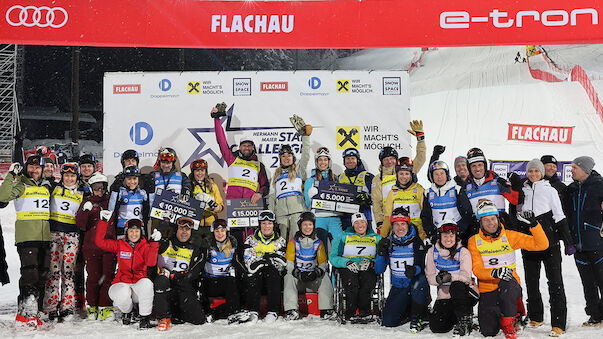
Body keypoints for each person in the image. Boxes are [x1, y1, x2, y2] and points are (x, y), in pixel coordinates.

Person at [468, 199, 549, 338]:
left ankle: (511, 319)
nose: (490, 223)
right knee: (489, 331)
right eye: (486, 220)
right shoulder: (474, 240)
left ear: (498, 219)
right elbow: (477, 270)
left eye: (493, 219)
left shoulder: (510, 236)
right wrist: (494, 272)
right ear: (480, 222)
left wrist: (534, 225)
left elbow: (541, 245)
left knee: (506, 282)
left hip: (509, 285)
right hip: (487, 288)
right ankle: (504, 312)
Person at [513, 159, 572, 336]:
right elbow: (515, 213)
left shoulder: (550, 190)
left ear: (541, 173)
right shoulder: (522, 190)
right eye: (530, 171)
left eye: (536, 171)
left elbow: (559, 216)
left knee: (555, 283)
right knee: (531, 281)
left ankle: (558, 323)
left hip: (549, 243)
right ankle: (536, 317)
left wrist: (568, 241)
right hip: (529, 242)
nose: (533, 174)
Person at [0, 155, 52, 328]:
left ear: (42, 170)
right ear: (26, 168)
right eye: (31, 167)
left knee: (42, 276)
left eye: (38, 168)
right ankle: (27, 312)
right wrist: (11, 175)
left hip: (44, 237)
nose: (34, 170)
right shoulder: (21, 185)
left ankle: (31, 311)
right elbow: (3, 196)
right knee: (30, 274)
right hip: (27, 237)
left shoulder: (46, 187)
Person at [95, 212, 160, 329]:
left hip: (137, 288)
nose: (134, 234)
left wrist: (154, 243)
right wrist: (103, 222)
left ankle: (144, 318)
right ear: (127, 232)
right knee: (122, 292)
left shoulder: (146, 246)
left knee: (147, 284)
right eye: (131, 231)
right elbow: (100, 242)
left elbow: (151, 263)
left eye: (136, 231)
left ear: (141, 232)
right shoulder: (120, 245)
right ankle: (127, 312)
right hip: (121, 283)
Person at [562, 156, 603, 327]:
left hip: (597, 243)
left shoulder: (599, 185)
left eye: (574, 168)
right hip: (578, 244)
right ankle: (595, 315)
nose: (571, 170)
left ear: (584, 169)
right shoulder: (571, 188)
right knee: (587, 283)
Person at [43, 163, 85, 321]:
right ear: (62, 176)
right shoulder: (55, 188)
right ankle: (51, 307)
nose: (69, 178)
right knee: (53, 272)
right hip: (54, 234)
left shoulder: (82, 192)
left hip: (72, 236)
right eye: (66, 176)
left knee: (68, 272)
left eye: (72, 176)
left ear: (76, 177)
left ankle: (67, 306)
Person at [375, 207, 428, 332]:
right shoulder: (389, 242)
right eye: (396, 224)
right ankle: (408, 311)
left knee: (419, 281)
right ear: (392, 226)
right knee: (388, 321)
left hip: (414, 286)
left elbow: (422, 265)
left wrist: (415, 270)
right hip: (399, 287)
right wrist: (381, 253)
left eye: (403, 224)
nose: (400, 228)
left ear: (408, 224)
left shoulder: (416, 241)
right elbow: (379, 270)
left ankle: (417, 316)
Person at [372, 120, 428, 234]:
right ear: (381, 162)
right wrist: (379, 222)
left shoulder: (405, 169)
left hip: (413, 221)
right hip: (391, 221)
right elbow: (376, 203)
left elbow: (420, 158)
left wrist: (420, 140)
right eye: (385, 159)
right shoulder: (378, 178)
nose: (389, 162)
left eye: (392, 158)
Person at [426, 221, 479, 336]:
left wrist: (450, 278)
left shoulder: (463, 252)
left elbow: (466, 277)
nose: (448, 239)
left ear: (456, 236)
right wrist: (439, 279)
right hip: (445, 295)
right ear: (440, 236)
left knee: (456, 285)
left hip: (465, 293)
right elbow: (429, 277)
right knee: (437, 327)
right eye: (445, 236)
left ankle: (464, 319)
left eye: (451, 236)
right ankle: (455, 316)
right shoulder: (432, 252)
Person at [75, 172, 116, 321]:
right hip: (91, 247)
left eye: (102, 187)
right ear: (91, 188)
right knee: (93, 277)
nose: (100, 190)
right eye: (97, 187)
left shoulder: (111, 201)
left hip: (108, 245)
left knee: (108, 276)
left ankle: (105, 306)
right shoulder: (87, 202)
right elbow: (80, 224)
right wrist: (85, 211)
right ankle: (92, 306)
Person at [154, 217, 206, 331]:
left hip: (182, 286)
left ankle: (175, 313)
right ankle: (163, 317)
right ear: (176, 229)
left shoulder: (193, 249)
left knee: (199, 319)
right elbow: (150, 248)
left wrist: (175, 275)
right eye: (182, 228)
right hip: (165, 286)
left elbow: (192, 274)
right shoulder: (166, 243)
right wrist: (161, 227)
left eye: (187, 230)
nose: (184, 232)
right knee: (162, 281)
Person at [329, 212, 381, 323]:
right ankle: (350, 310)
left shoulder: (376, 238)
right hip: (348, 266)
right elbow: (333, 257)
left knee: (368, 282)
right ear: (352, 225)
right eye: (356, 223)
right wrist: (346, 262)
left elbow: (382, 257)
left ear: (367, 223)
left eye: (362, 222)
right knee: (351, 283)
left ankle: (363, 309)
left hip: (367, 265)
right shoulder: (343, 236)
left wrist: (372, 262)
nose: (360, 225)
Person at [211, 105, 269, 203]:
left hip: (250, 204)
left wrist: (260, 193)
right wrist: (216, 119)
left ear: (253, 148)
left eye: (249, 145)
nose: (247, 147)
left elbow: (265, 185)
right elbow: (222, 141)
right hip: (233, 203)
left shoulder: (258, 165)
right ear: (239, 147)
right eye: (244, 145)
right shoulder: (232, 158)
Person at [236, 210, 287, 323]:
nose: (266, 226)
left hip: (272, 275)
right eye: (263, 223)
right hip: (257, 274)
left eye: (269, 223)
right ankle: (253, 311)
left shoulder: (280, 240)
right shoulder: (251, 239)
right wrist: (268, 258)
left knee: (273, 273)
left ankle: (273, 311)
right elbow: (250, 263)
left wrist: (262, 259)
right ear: (259, 224)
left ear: (274, 225)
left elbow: (281, 264)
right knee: (253, 274)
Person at [283, 212, 335, 320]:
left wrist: (316, 272)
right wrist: (297, 273)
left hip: (312, 279)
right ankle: (291, 310)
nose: (308, 227)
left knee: (324, 277)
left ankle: (326, 310)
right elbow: (289, 263)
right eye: (305, 225)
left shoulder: (318, 243)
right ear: (300, 226)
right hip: (299, 280)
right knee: (288, 277)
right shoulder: (293, 242)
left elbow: (323, 263)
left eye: (310, 225)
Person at [268, 129, 311, 240]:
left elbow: (306, 155)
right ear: (280, 159)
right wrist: (271, 215)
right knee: (282, 242)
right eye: (283, 156)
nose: (286, 158)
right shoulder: (276, 174)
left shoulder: (298, 170)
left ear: (293, 157)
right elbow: (272, 196)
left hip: (297, 211)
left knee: (299, 240)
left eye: (289, 155)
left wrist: (305, 136)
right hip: (281, 214)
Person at [464, 148, 522, 227]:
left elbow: (516, 200)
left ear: (485, 166)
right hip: (477, 229)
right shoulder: (465, 186)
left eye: (480, 165)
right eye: (473, 166)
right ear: (469, 168)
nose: (477, 169)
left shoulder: (498, 182)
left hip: (498, 227)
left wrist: (516, 184)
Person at [199, 219, 243, 323]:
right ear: (213, 232)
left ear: (226, 231)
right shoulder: (207, 244)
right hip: (210, 282)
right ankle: (212, 313)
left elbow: (237, 262)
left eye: (222, 231)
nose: (220, 234)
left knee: (234, 283)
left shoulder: (233, 243)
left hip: (226, 282)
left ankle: (231, 312)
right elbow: (200, 263)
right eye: (217, 231)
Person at [421, 160, 473, 244]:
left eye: (442, 173)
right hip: (438, 233)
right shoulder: (428, 193)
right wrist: (431, 233)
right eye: (436, 174)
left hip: (456, 233)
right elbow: (425, 216)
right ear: (432, 176)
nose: (439, 177)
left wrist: (460, 231)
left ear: (447, 175)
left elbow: (467, 213)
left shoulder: (457, 190)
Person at [304, 147, 342, 250]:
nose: (323, 162)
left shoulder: (336, 178)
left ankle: (337, 267)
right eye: (320, 160)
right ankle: (322, 266)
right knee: (321, 249)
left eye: (325, 159)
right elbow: (307, 204)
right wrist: (311, 197)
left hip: (335, 218)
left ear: (329, 162)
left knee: (338, 247)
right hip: (319, 217)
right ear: (316, 162)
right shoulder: (310, 181)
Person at [382, 157, 426, 240]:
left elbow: (425, 214)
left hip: (418, 234)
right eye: (401, 174)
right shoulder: (392, 192)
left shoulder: (419, 190)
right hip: (398, 233)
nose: (404, 177)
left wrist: (425, 235)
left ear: (411, 175)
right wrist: (382, 237)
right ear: (397, 175)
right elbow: (388, 217)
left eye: (407, 174)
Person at [108, 165, 151, 240]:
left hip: (138, 227)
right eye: (129, 179)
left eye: (135, 179)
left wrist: (151, 192)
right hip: (122, 227)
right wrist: (115, 190)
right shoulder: (121, 192)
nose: (132, 182)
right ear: (125, 179)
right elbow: (111, 208)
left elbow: (149, 210)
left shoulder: (142, 193)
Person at [188, 158, 223, 245]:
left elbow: (220, 203)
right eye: (197, 171)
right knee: (196, 250)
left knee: (210, 249)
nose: (200, 173)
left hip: (210, 223)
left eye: (202, 170)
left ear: (206, 171)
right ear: (193, 172)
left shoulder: (212, 185)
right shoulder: (189, 186)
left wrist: (218, 208)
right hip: (195, 224)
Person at [338, 148, 374, 230]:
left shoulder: (367, 176)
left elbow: (376, 197)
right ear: (344, 161)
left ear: (357, 160)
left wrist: (367, 198)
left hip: (364, 217)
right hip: (346, 218)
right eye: (347, 158)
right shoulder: (340, 177)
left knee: (366, 242)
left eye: (353, 158)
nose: (350, 161)